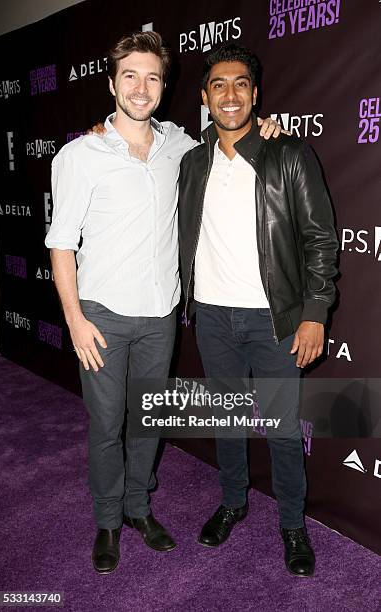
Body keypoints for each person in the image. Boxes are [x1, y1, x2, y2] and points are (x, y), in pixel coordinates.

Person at [45, 31, 281, 575]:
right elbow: (60, 243)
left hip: (162, 315)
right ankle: (107, 522)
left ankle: (137, 509)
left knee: (146, 421)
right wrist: (75, 320)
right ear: (111, 83)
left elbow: (233, 130)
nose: (141, 87)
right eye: (130, 75)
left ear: (164, 84)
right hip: (100, 315)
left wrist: (268, 127)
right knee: (106, 424)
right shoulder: (80, 155)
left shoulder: (180, 144)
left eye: (152, 76)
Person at [178, 43, 338, 577]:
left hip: (273, 321)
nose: (230, 94)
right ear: (204, 97)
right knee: (226, 419)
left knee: (281, 427)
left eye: (240, 83)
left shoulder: (288, 155)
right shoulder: (190, 162)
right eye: (218, 85)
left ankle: (292, 522)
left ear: (255, 93)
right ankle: (233, 501)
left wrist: (315, 311)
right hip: (214, 317)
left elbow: (320, 238)